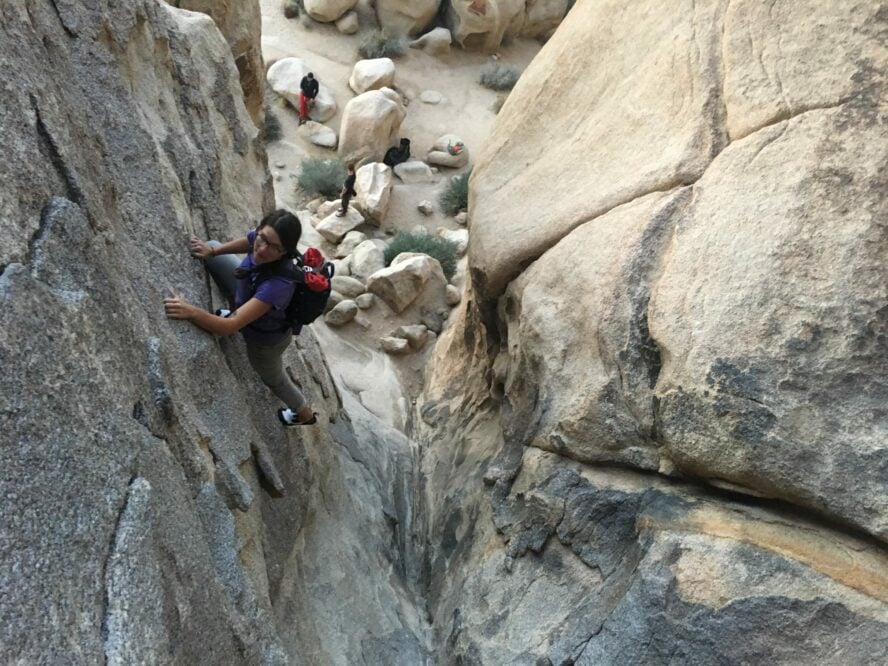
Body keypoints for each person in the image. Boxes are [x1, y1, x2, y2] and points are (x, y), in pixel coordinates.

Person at [163, 210, 317, 426]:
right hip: (248, 294)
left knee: (274, 379)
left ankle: (305, 415)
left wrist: (191, 312)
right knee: (213, 246)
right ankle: (237, 309)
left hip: (265, 342)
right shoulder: (261, 239)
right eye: (262, 238)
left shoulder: (278, 286)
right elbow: (250, 240)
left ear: (285, 252)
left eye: (274, 247)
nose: (262, 249)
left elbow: (229, 327)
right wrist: (213, 251)